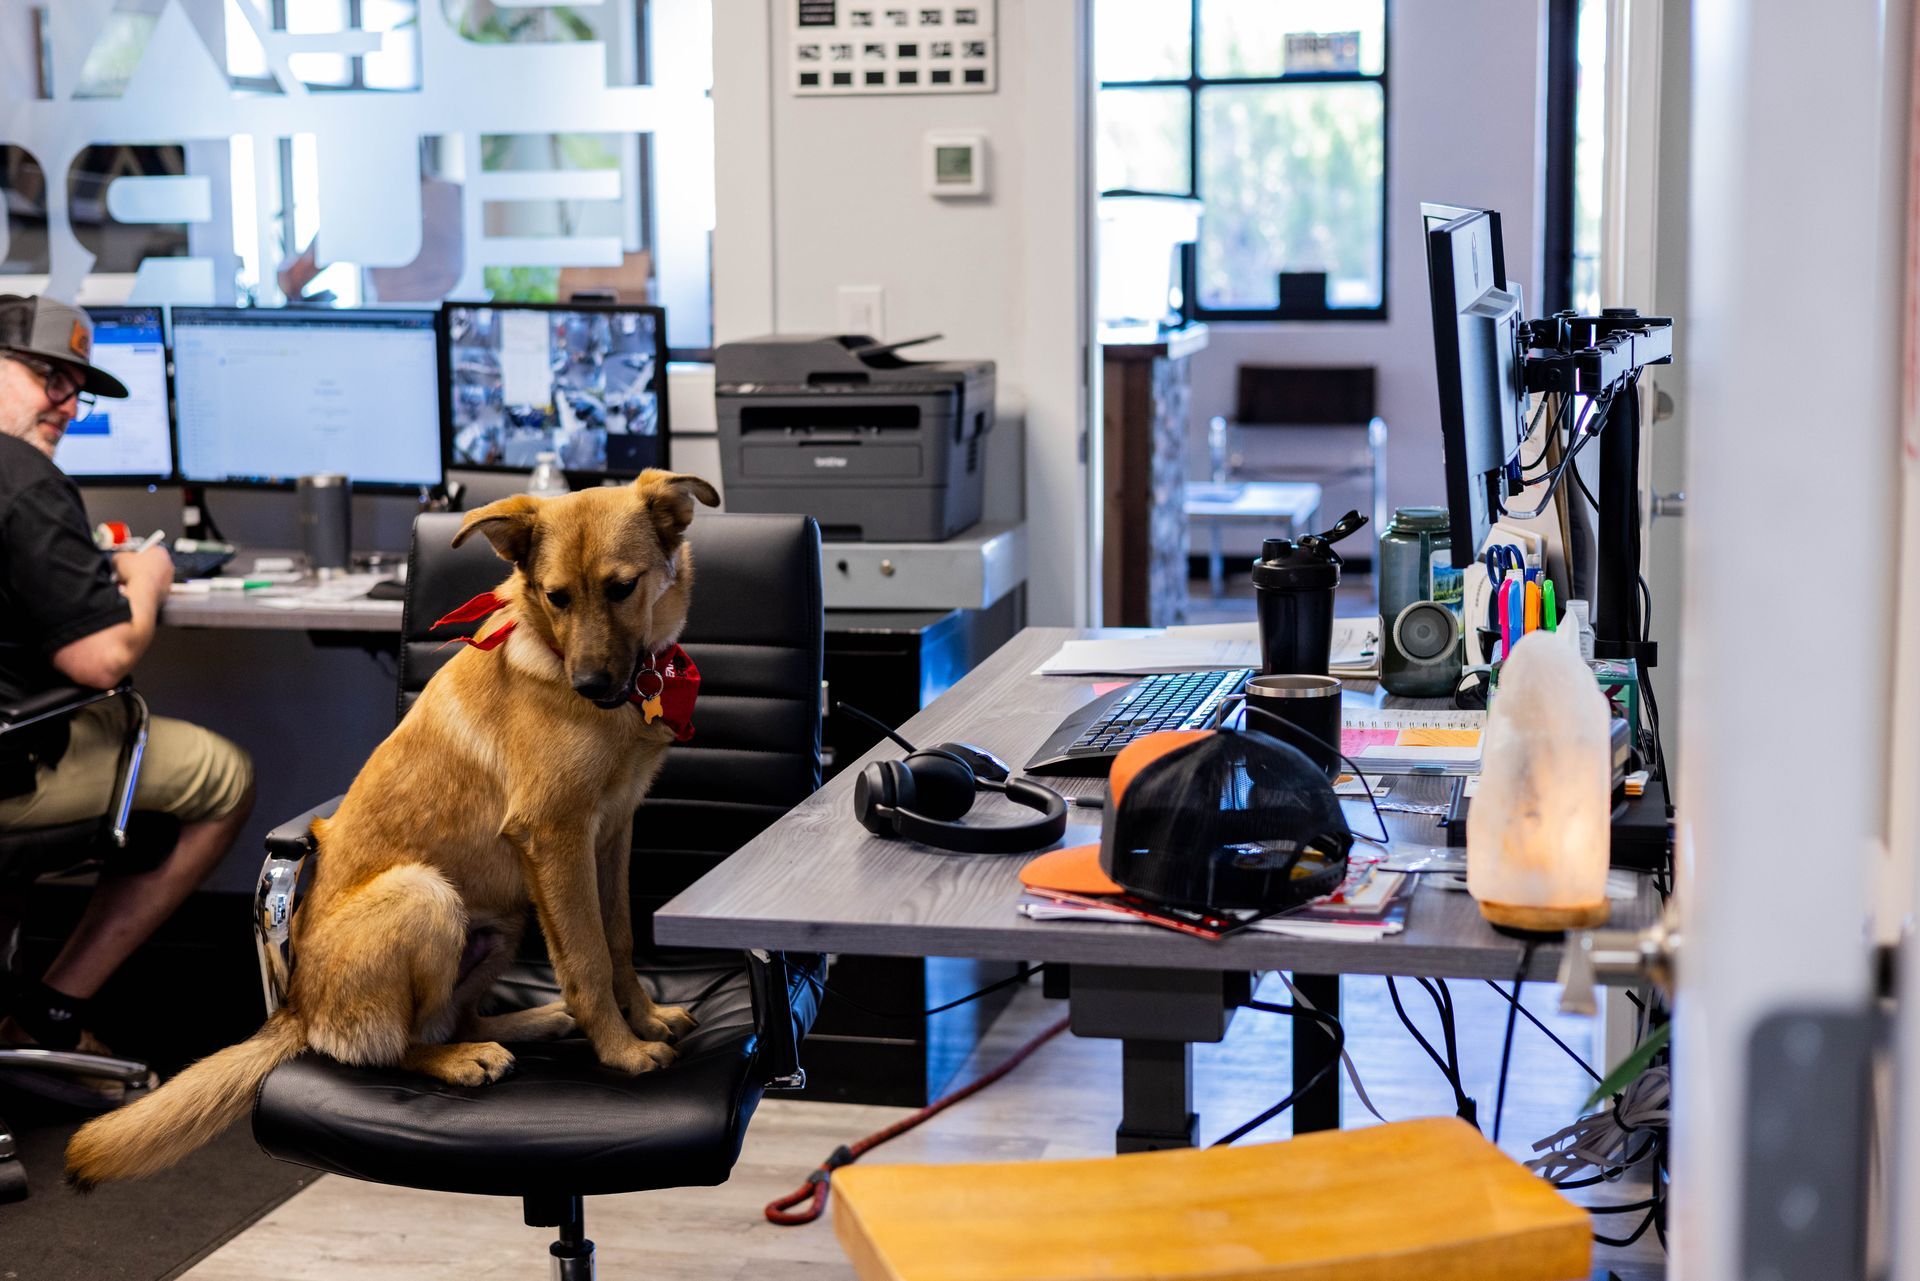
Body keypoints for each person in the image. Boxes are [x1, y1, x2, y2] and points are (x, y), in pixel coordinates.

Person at [0, 294, 253, 1097]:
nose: (67, 405)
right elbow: (103, 657)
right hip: (13, 767)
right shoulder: (24, 480)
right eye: (48, 378)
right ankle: (50, 1009)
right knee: (223, 774)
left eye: (77, 388)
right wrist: (145, 578)